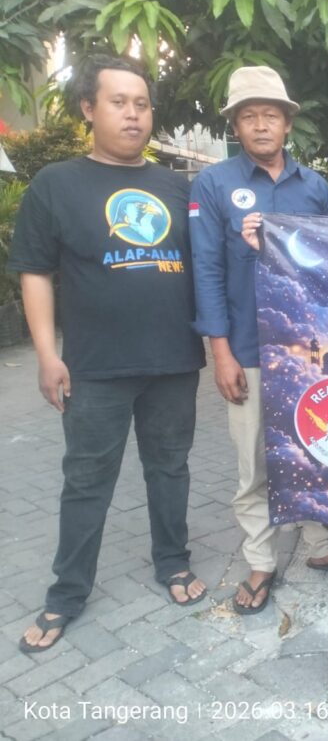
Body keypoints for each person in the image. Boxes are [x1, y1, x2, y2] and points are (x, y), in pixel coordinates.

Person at [8, 55, 207, 653]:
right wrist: (47, 355)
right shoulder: (56, 184)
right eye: (118, 102)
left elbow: (210, 263)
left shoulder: (177, 187)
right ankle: (67, 592)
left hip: (174, 360)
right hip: (94, 368)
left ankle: (173, 561)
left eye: (141, 104)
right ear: (88, 109)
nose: (133, 114)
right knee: (87, 480)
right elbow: (35, 272)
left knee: (170, 468)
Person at [190, 65, 328, 616]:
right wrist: (220, 352)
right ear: (235, 126)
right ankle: (261, 559)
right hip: (248, 346)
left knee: (314, 450)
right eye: (249, 116)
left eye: (270, 115)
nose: (261, 125)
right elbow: (206, 271)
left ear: (288, 124)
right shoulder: (214, 185)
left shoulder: (314, 187)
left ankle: (319, 544)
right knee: (254, 462)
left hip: (309, 350)